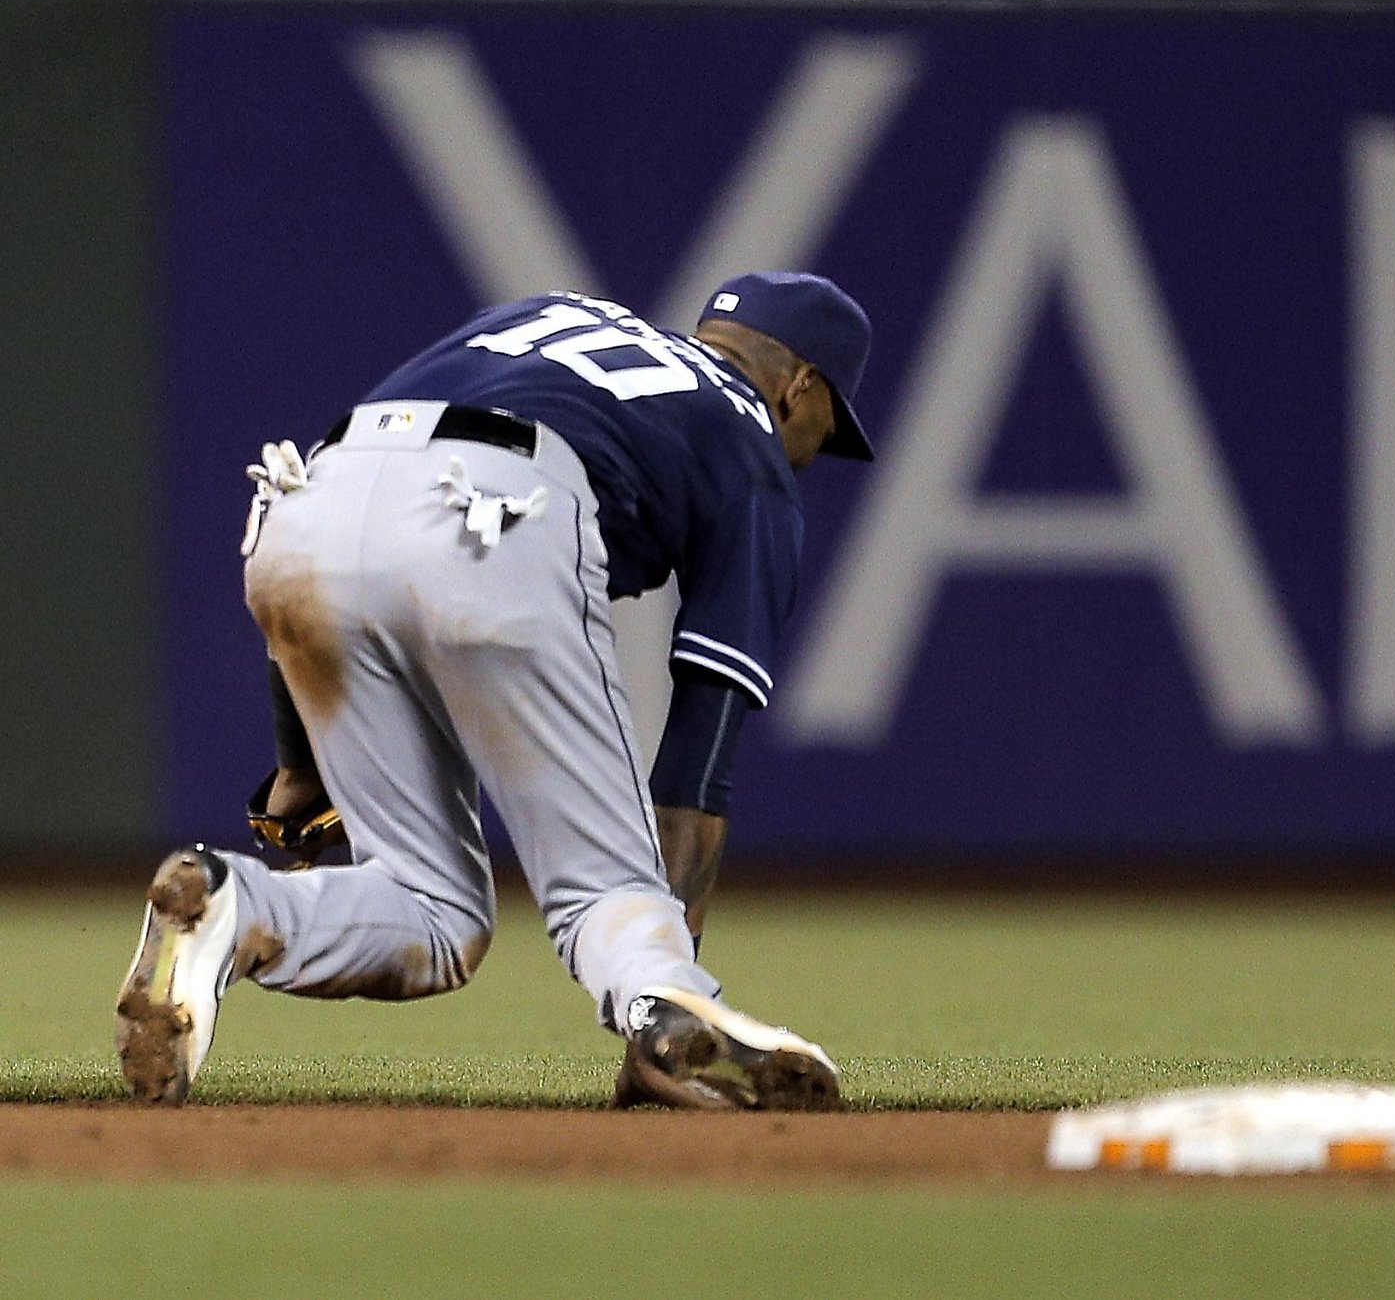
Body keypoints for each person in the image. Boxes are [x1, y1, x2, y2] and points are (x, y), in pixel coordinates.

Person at [116, 273, 872, 1111]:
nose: (812, 451)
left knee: (434, 911)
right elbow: (699, 763)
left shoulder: (548, 315)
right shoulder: (752, 445)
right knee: (604, 886)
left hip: (301, 507)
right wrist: (669, 968)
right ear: (799, 384)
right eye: (827, 428)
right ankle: (667, 1014)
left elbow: (369, 498)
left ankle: (230, 902)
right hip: (494, 512)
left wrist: (297, 772)